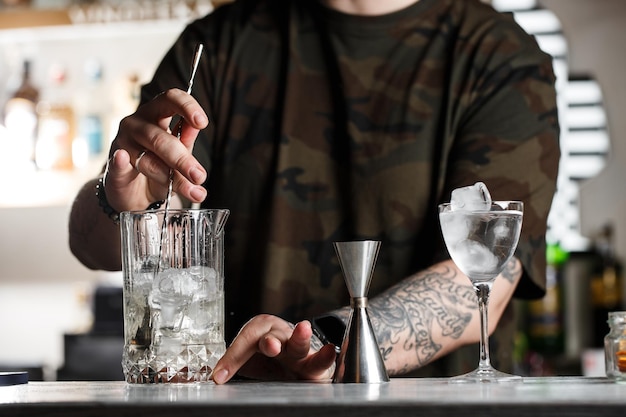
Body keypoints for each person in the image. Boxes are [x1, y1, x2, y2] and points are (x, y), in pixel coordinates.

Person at [69, 0, 560, 384]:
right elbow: (89, 243)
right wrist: (125, 206)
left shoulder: (499, 57)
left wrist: (324, 341)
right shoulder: (217, 45)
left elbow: (478, 284)